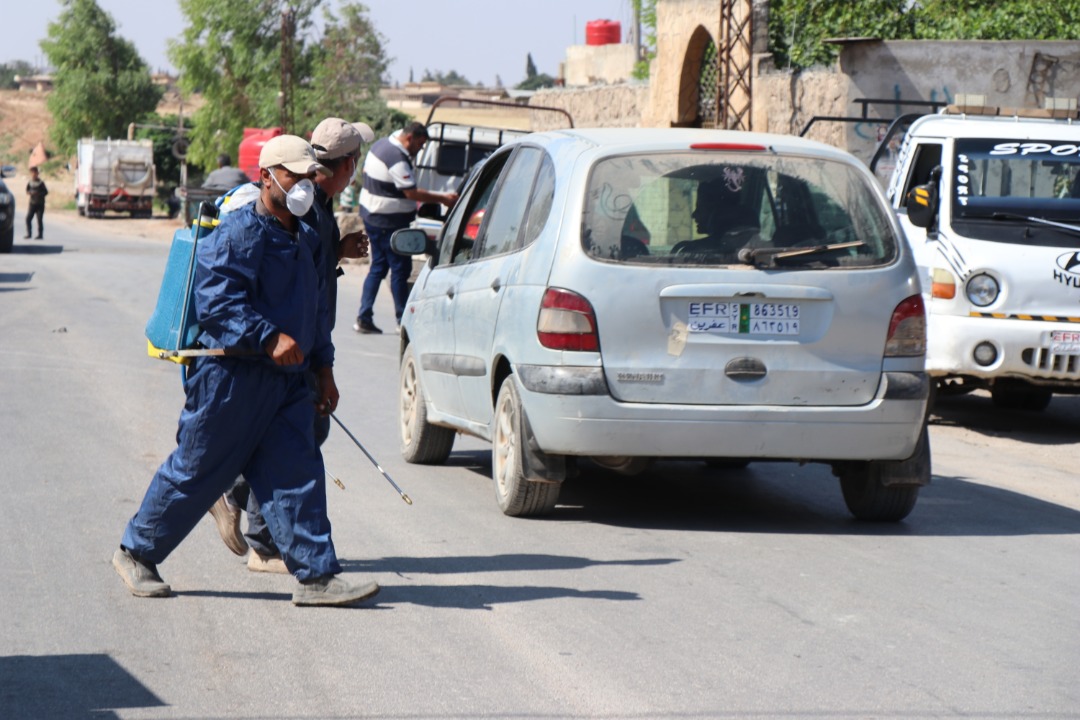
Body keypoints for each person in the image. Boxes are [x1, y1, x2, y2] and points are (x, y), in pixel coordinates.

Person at [113, 134, 379, 607]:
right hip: (231, 382)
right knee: (197, 472)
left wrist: (324, 369)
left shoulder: (308, 238)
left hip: (288, 383)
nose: (302, 185)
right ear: (267, 178)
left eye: (307, 176)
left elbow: (314, 310)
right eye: (293, 176)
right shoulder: (237, 233)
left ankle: (316, 576)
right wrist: (267, 337)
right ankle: (135, 553)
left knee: (297, 474)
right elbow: (215, 303)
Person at [208, 117, 375, 574]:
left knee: (287, 441)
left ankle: (240, 503)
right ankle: (264, 541)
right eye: (352, 163)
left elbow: (311, 281)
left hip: (298, 348)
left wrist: (337, 253)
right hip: (280, 350)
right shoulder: (301, 215)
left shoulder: (312, 216)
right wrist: (299, 353)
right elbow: (290, 293)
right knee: (292, 444)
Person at [354, 121, 458, 334]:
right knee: (400, 270)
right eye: (419, 145)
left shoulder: (382, 145)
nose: (419, 150)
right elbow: (411, 193)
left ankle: (364, 317)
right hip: (388, 222)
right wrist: (443, 199)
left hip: (373, 216)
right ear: (409, 138)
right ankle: (403, 320)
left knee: (379, 267)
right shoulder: (396, 158)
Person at [25, 166, 47, 239]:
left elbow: (46, 192)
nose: (34, 174)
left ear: (37, 173)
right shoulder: (30, 182)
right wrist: (30, 193)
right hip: (32, 204)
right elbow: (27, 191)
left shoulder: (41, 183)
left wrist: (39, 193)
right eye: (32, 173)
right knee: (28, 219)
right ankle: (29, 234)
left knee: (39, 220)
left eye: (35, 173)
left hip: (40, 204)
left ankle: (40, 235)